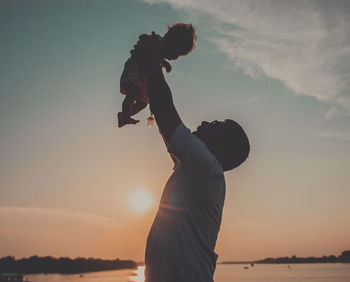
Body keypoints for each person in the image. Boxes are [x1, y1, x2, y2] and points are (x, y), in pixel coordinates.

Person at [143, 54, 250, 281]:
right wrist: (149, 80)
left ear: (220, 146)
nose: (203, 123)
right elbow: (166, 127)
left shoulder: (207, 168)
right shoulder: (195, 171)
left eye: (213, 125)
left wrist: (151, 61)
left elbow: (165, 112)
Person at [118, 23, 196, 127]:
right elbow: (146, 42)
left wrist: (165, 63)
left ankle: (124, 115)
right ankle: (126, 116)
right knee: (132, 94)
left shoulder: (159, 51)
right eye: (176, 53)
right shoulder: (156, 42)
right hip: (134, 71)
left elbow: (157, 58)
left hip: (141, 78)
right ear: (171, 42)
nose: (175, 58)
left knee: (143, 103)